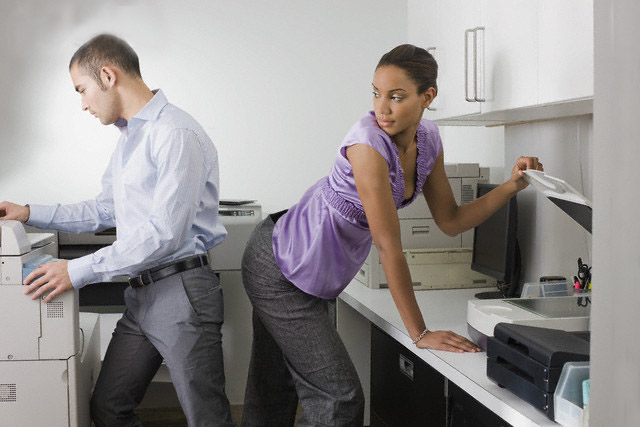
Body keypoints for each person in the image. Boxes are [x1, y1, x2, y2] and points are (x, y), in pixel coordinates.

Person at [240, 43, 543, 426]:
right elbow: (388, 248)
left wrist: (512, 186)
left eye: (396, 97)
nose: (381, 107)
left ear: (427, 97)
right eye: (376, 93)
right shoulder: (367, 146)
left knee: (274, 388)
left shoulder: (428, 141)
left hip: (311, 268)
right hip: (279, 264)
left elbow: (450, 220)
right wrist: (420, 333)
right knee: (339, 399)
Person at [0, 34, 235, 426]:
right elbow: (103, 209)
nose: (84, 104)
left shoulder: (174, 133)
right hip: (142, 294)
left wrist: (75, 271)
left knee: (207, 418)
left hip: (181, 290)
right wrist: (27, 212)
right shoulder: (130, 139)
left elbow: (164, 234)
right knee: (107, 407)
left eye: (83, 90)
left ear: (107, 76)